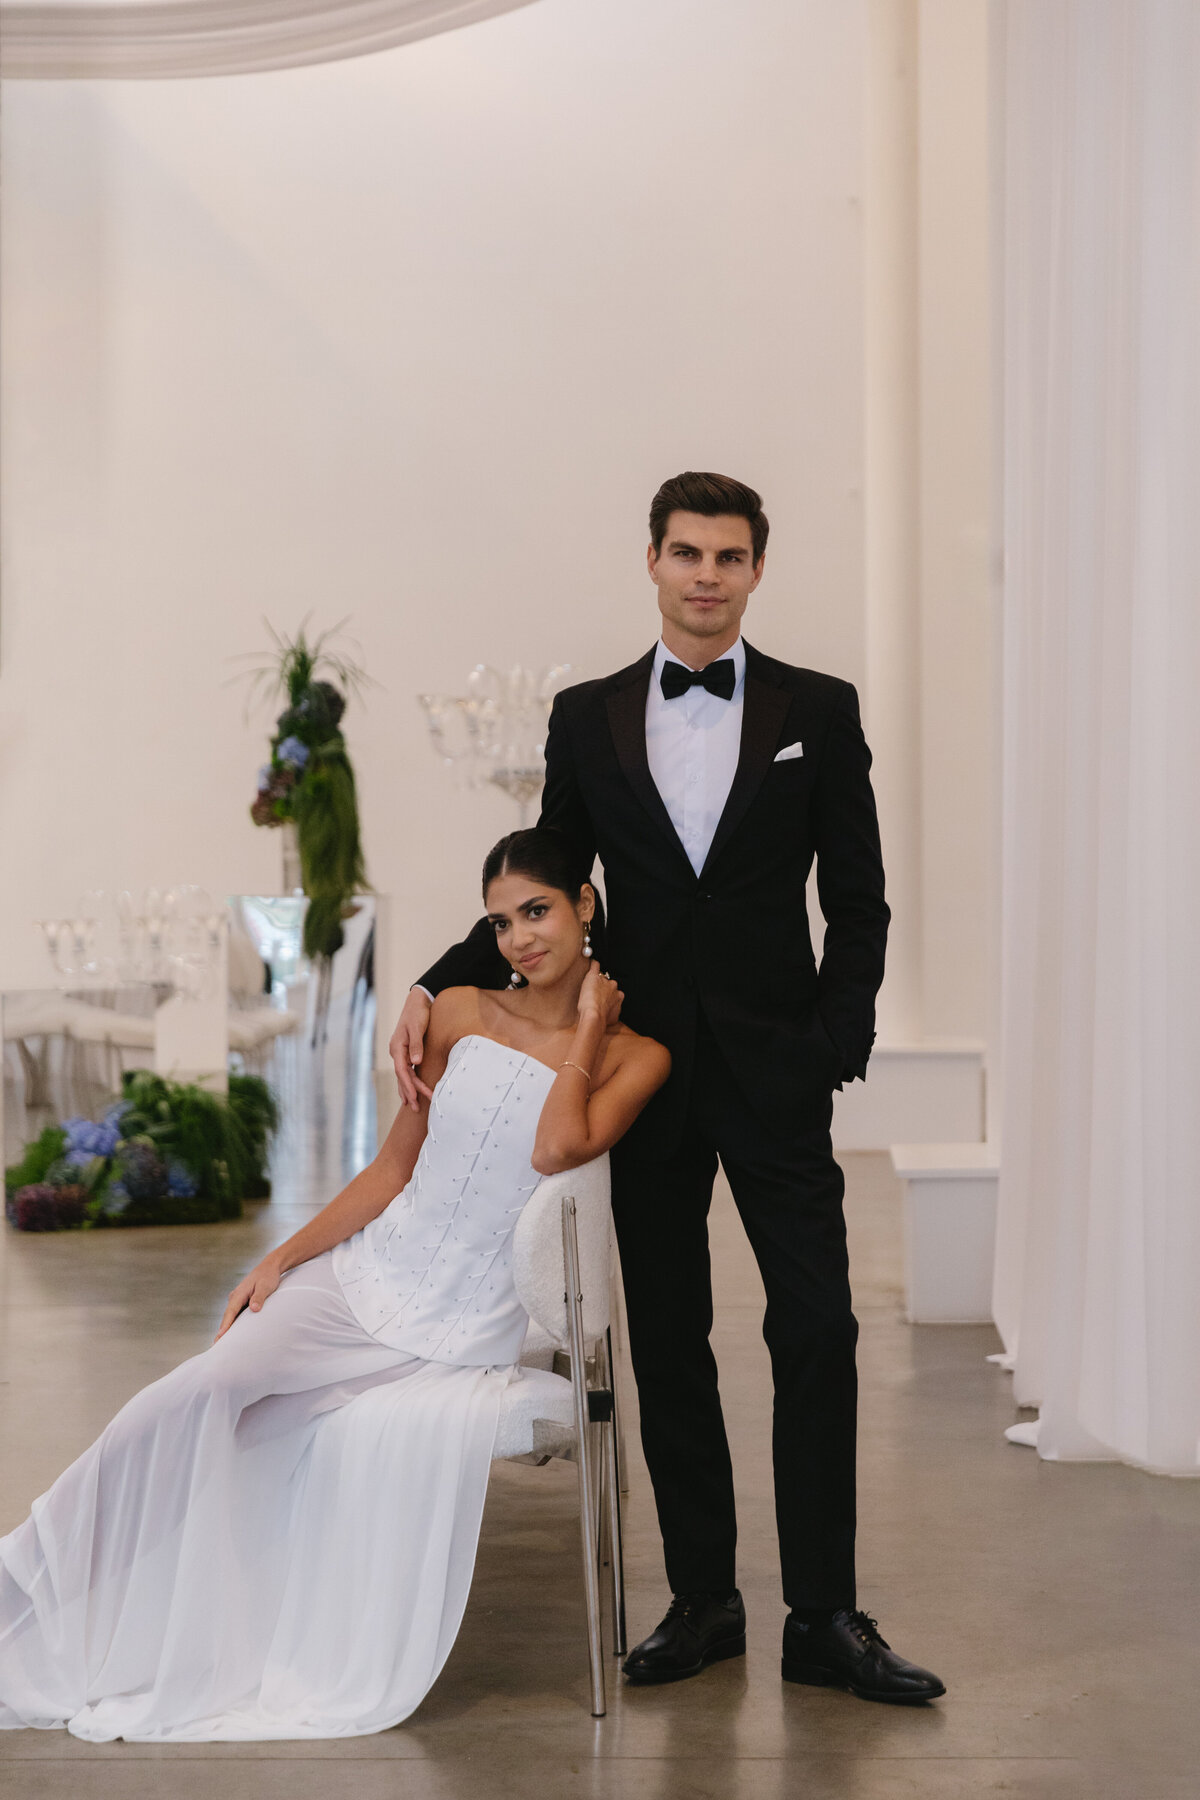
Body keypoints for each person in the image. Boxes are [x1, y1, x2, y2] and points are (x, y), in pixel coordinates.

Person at [391, 471, 945, 1703]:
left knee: (819, 1329)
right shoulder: (587, 716)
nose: (707, 574)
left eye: (730, 556)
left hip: (778, 1066)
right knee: (672, 1337)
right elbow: (550, 894)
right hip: (640, 1070)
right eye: (686, 553)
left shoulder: (820, 706)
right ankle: (704, 1602)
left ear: (755, 572)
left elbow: (858, 900)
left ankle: (827, 1616)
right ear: (651, 561)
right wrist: (435, 983)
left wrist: (833, 1036)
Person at [0, 829, 668, 1742]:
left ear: (583, 905)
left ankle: (186, 1628)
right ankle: (27, 1577)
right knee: (206, 1391)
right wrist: (282, 1259)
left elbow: (558, 1146)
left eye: (537, 912)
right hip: (361, 1280)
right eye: (501, 921)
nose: (519, 938)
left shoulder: (637, 1056)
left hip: (456, 1331)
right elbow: (392, 1171)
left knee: (271, 1434)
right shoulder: (462, 1011)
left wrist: (588, 1026)